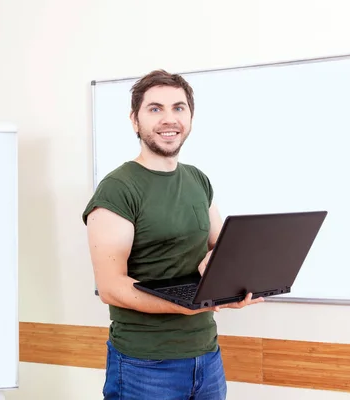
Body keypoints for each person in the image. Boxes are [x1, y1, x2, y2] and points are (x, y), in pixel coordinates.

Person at [82, 69, 264, 400]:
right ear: (135, 121)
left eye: (178, 108)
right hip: (144, 366)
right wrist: (183, 306)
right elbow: (111, 288)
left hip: (206, 358)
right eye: (155, 109)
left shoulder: (198, 180)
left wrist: (231, 278)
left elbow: (220, 248)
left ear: (190, 117)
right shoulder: (118, 189)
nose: (169, 119)